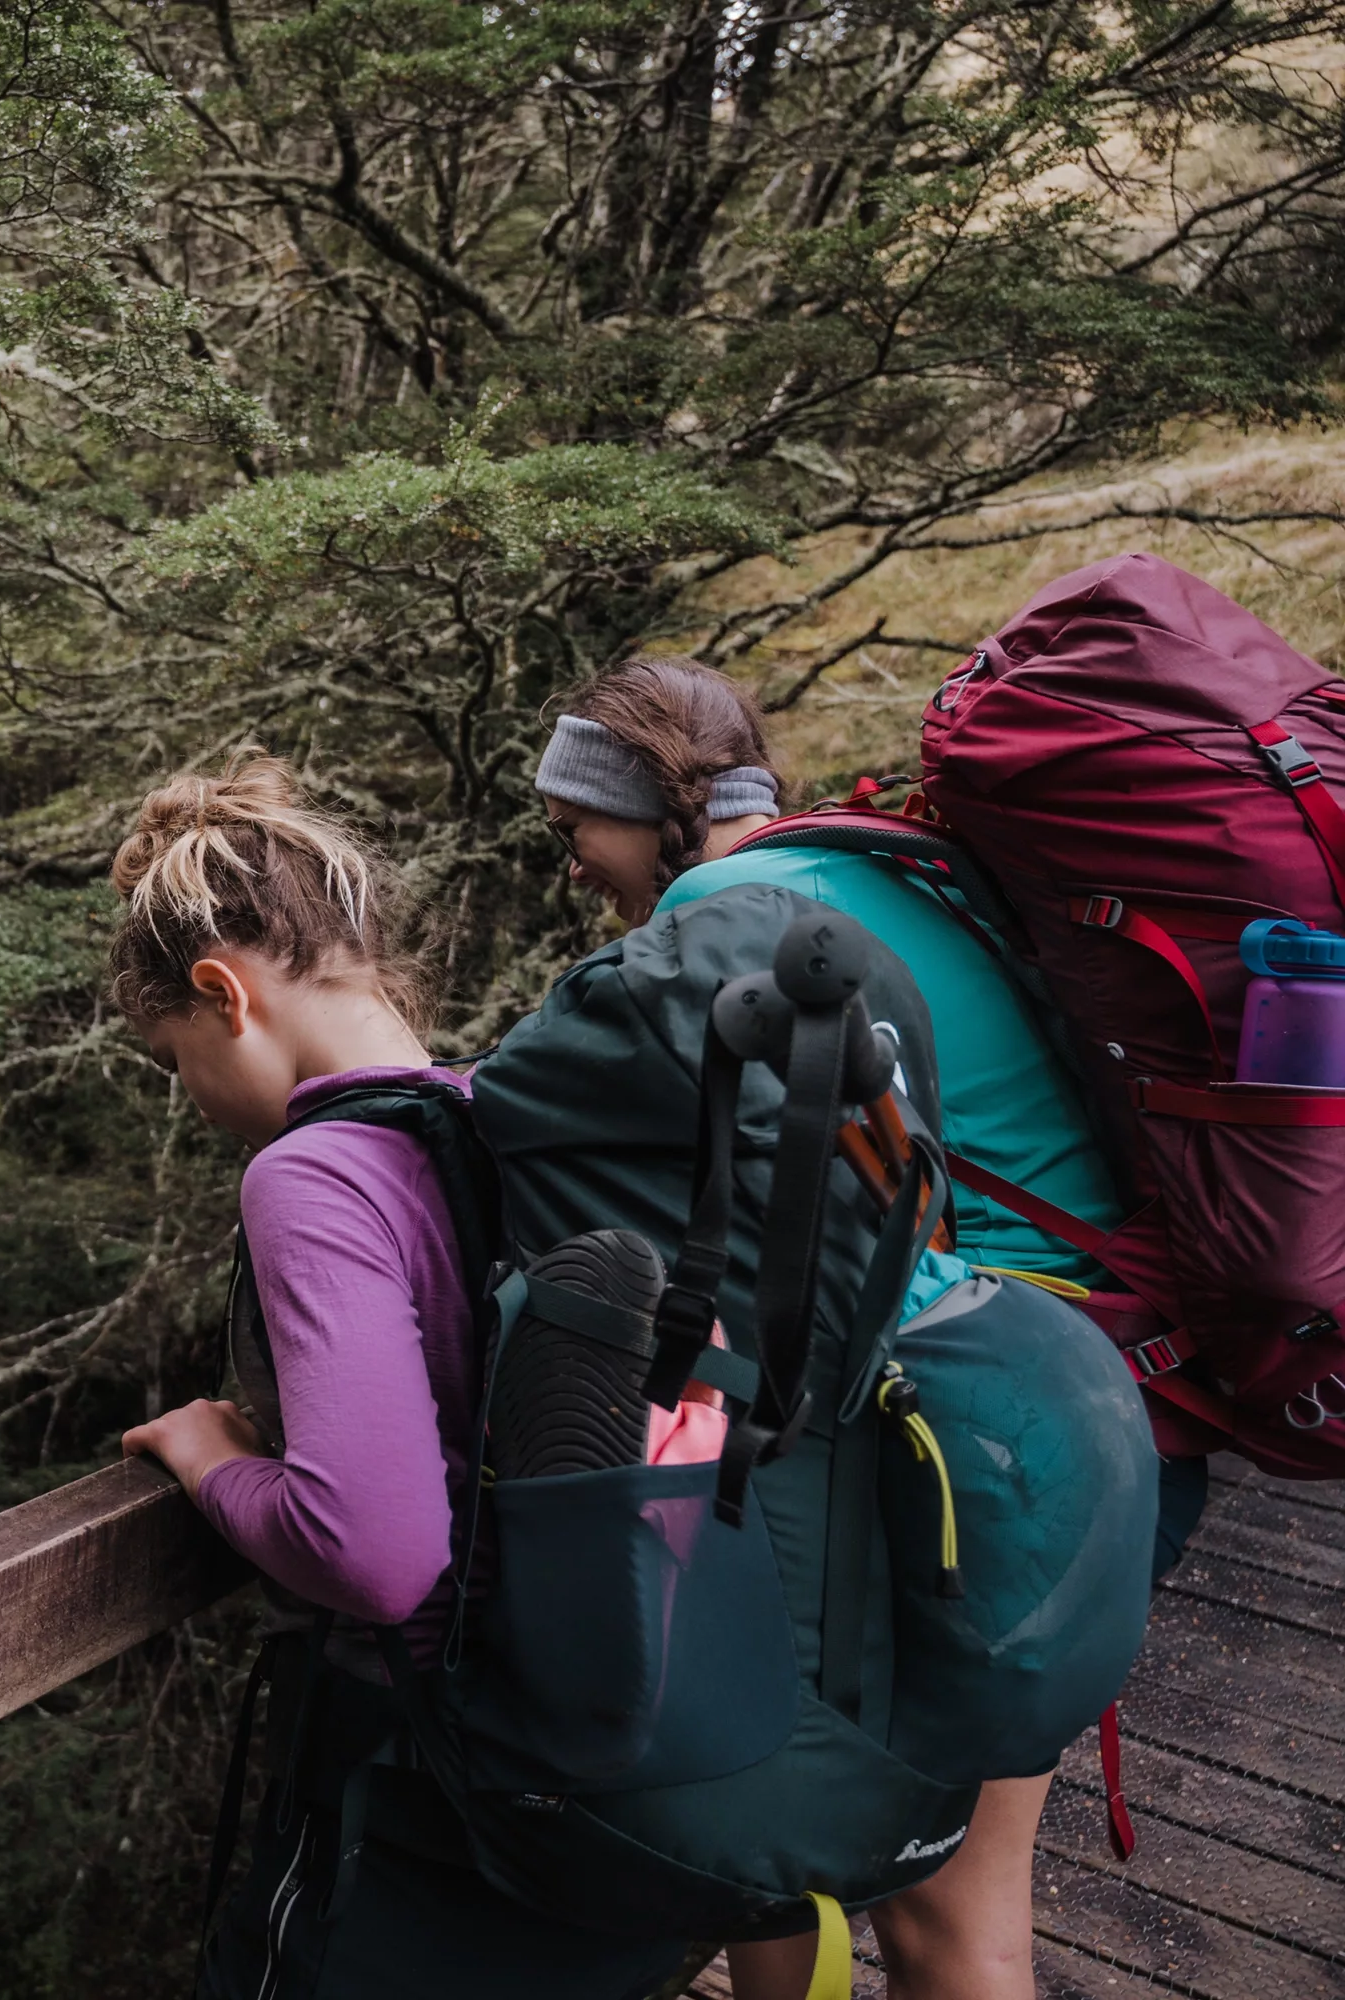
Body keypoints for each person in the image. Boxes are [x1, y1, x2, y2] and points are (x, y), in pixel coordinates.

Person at [534, 656, 1192, 2000]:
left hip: (992, 1448)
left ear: (657, 804)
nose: (573, 867)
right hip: (1104, 1408)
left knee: (939, 1917)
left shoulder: (732, 917)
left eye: (573, 828)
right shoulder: (861, 867)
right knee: (942, 1899)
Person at [111, 752, 691, 1999]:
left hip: (425, 1777)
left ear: (223, 991)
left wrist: (210, 1459)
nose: (194, 1099)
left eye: (174, 1058)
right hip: (594, 1723)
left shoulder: (312, 1175)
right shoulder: (491, 1112)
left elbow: (374, 1547)